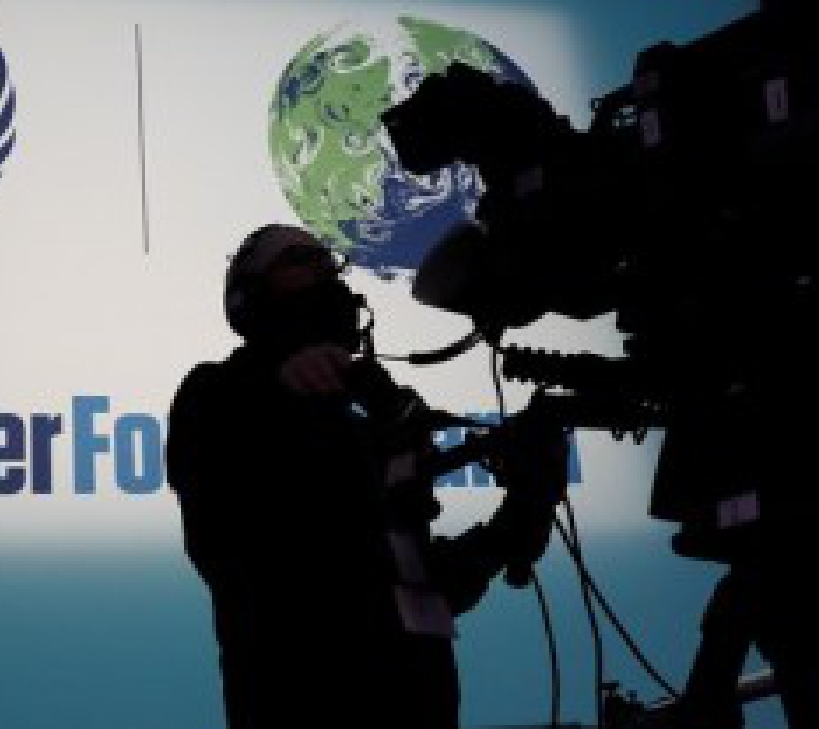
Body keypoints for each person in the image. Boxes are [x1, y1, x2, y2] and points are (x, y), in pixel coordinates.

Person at [167, 224, 567, 729]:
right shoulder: (214, 393)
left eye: (327, 260)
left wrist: (519, 517)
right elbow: (233, 547)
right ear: (249, 296)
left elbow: (414, 583)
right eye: (297, 258)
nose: (323, 270)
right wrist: (275, 389)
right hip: (295, 698)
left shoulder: (379, 411)